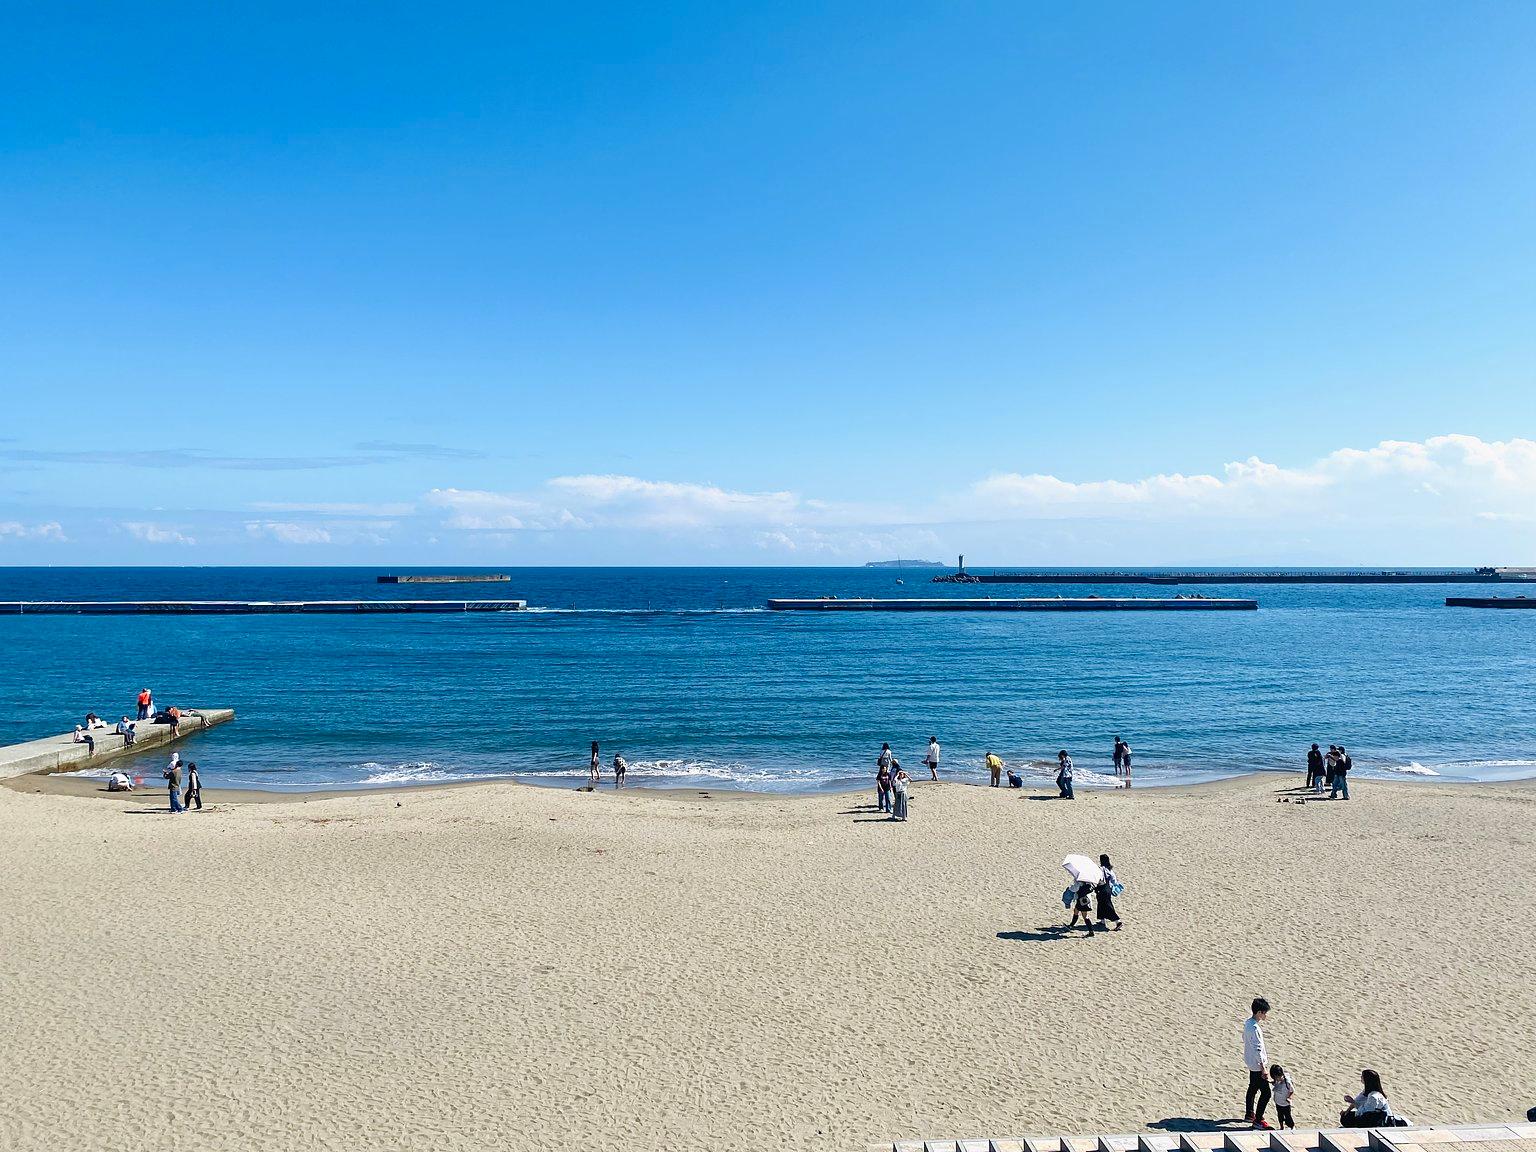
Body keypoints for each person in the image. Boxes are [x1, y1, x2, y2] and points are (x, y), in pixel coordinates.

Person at [1244, 997, 1273, 1129]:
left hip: (1250, 1062)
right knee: (1266, 1093)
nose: (1265, 1015)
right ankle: (1258, 1119)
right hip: (1256, 1064)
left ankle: (1250, 1113)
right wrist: (1263, 1068)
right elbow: (1258, 1049)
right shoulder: (1254, 1028)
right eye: (1264, 1012)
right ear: (1259, 1012)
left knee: (1253, 1088)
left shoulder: (1248, 1023)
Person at [1094, 853, 1123, 931]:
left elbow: (1098, 878)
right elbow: (1114, 881)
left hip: (1102, 888)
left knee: (1107, 905)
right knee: (1101, 903)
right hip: (1108, 889)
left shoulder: (1101, 869)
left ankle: (1118, 921)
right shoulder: (1110, 869)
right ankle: (1102, 920)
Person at [1271, 1065, 1296, 1130]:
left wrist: (1289, 1097)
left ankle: (1292, 1127)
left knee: (1288, 1116)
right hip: (1278, 1102)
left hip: (1285, 1103)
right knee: (1280, 1115)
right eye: (1274, 1077)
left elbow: (1292, 1091)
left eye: (1277, 1077)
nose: (1276, 1079)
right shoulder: (1276, 1080)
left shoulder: (1287, 1082)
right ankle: (1281, 1126)